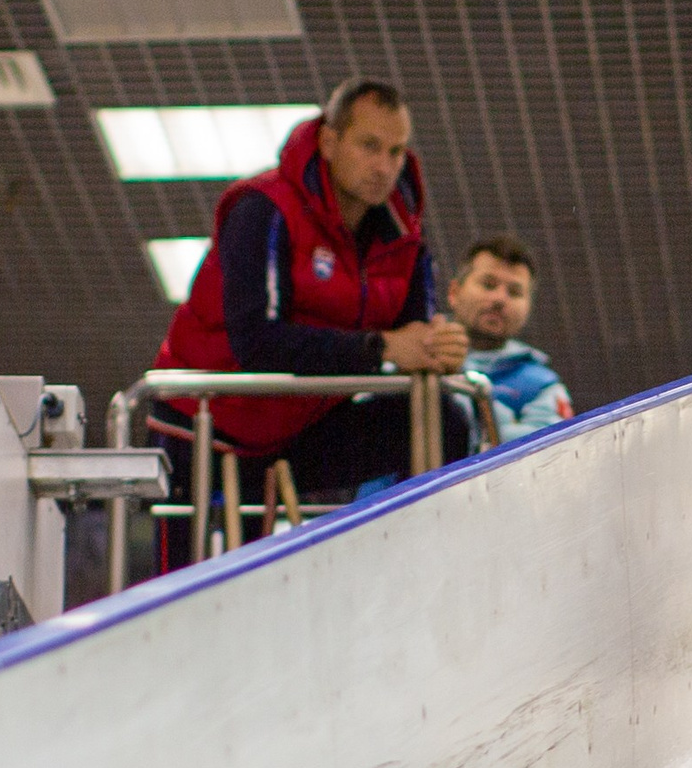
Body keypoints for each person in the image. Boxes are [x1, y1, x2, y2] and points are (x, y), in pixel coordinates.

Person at [150, 77, 471, 567]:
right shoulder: (263, 208)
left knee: (444, 418)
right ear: (329, 141)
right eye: (369, 146)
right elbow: (258, 342)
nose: (384, 166)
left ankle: (421, 569)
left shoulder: (403, 234)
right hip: (204, 421)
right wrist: (383, 348)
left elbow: (415, 336)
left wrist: (438, 348)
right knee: (179, 586)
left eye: (396, 152)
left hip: (296, 426)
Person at [446, 233, 574, 438]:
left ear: (528, 308)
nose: (499, 299)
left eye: (514, 292)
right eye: (488, 285)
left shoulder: (540, 386)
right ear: (454, 292)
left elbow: (549, 451)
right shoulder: (411, 358)